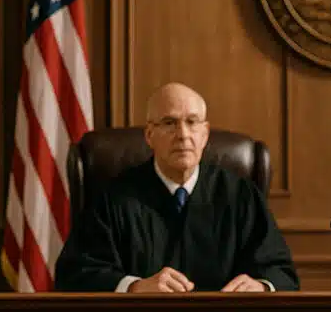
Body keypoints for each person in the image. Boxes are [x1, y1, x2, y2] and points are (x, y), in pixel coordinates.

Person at [55, 82, 299, 293]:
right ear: (149, 135)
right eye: (169, 123)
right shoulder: (114, 198)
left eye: (192, 122)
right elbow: (74, 275)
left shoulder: (241, 195)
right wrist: (134, 287)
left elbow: (281, 272)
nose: (183, 134)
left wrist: (261, 286)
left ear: (205, 134)